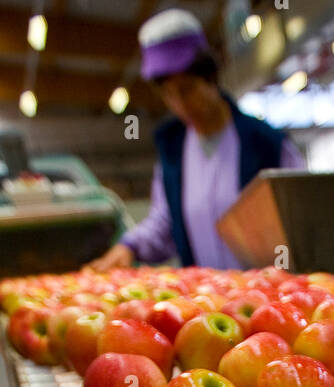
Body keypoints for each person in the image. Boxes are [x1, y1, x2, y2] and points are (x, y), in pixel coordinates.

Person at [88, 8, 303, 272]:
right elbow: (164, 222)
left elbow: (302, 221)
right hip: (204, 305)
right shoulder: (172, 152)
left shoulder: (267, 144)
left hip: (270, 301)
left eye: (187, 89)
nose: (180, 104)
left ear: (210, 77)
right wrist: (128, 246)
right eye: (169, 95)